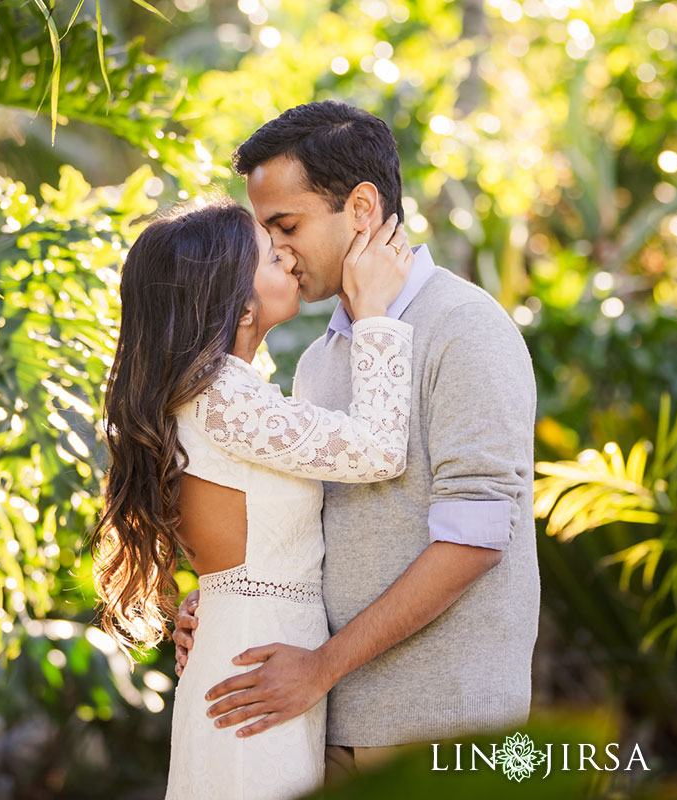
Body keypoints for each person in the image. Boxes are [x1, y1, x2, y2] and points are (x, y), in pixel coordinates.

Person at [172, 100, 539, 784]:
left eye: (287, 226)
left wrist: (321, 667)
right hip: (320, 720)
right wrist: (225, 596)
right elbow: (303, 525)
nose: (276, 252)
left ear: (361, 209)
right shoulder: (319, 360)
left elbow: (475, 539)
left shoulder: (464, 328)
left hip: (438, 731)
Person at [94, 196, 416, 798]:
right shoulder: (222, 396)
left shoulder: (221, 391)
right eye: (272, 254)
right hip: (257, 661)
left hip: (254, 646)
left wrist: (208, 597)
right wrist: (375, 315)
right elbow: (378, 451)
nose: (291, 256)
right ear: (240, 306)